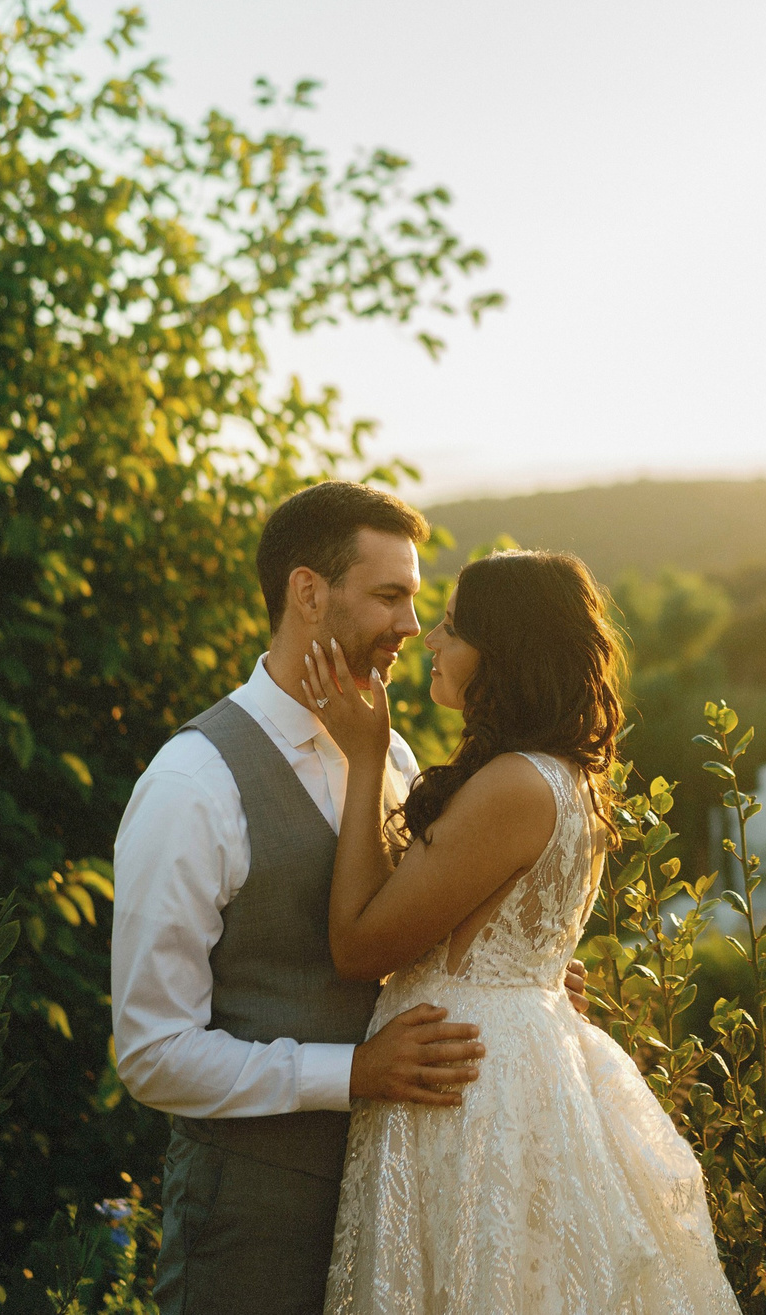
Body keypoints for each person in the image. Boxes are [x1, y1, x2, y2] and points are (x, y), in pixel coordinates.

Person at [111, 482, 590, 1315]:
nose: (413, 625)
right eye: (390, 596)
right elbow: (151, 1051)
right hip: (256, 1216)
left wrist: (513, 992)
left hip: (412, 1192)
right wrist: (354, 1072)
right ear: (308, 593)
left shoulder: (393, 752)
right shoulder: (193, 784)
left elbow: (418, 924)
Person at [302, 548, 739, 1315]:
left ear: (500, 655)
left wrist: (365, 757)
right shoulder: (564, 776)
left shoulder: (511, 784)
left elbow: (358, 948)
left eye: (450, 629)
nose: (430, 643)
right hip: (508, 1059)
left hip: (469, 1089)